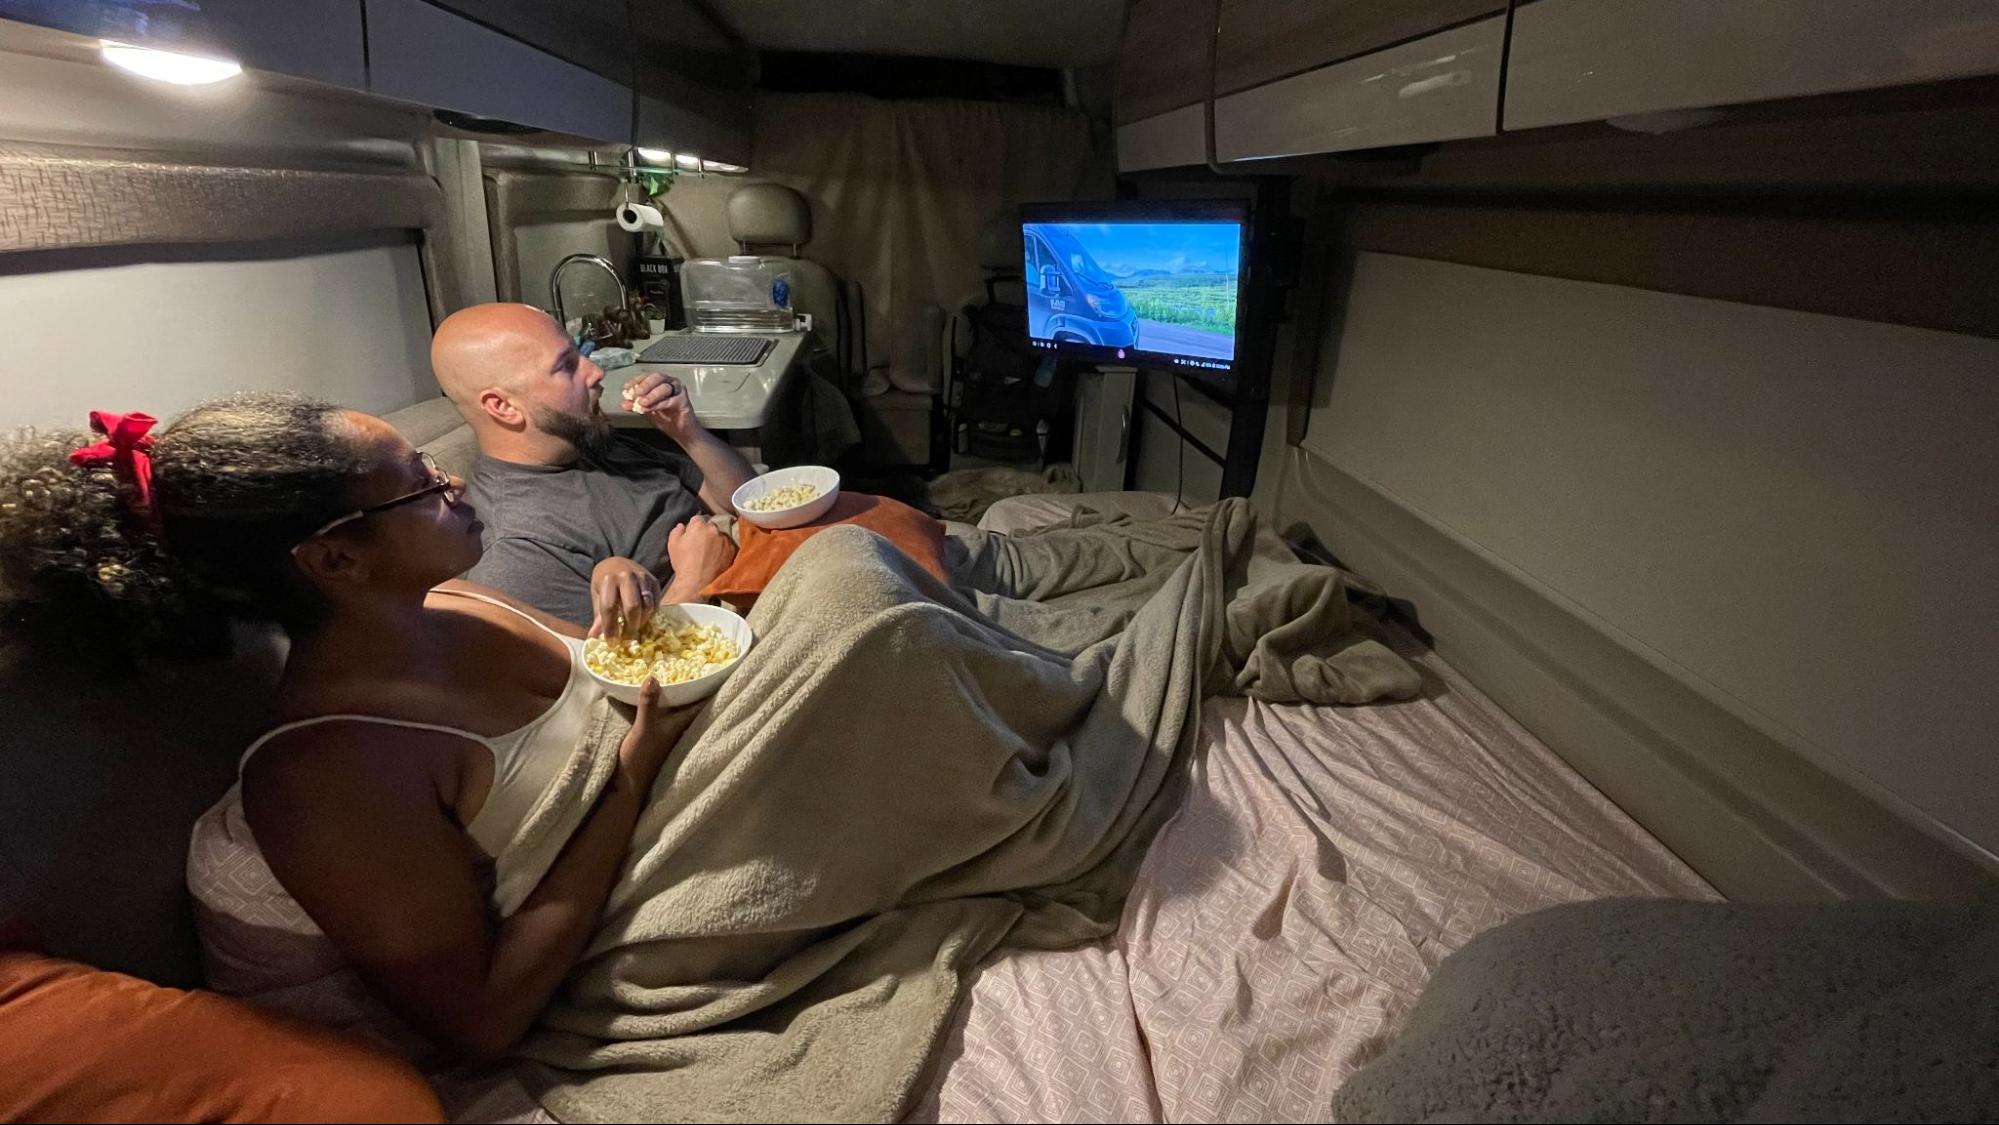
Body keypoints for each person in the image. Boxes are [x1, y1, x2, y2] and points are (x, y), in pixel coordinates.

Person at [0, 395, 694, 1059]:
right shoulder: (325, 772)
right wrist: (628, 782)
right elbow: (482, 1020)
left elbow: (630, 675)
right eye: (419, 483)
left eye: (427, 461)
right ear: (334, 559)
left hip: (679, 796)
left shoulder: (452, 596)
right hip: (635, 895)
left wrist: (630, 573)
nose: (452, 479)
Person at [430, 303, 757, 638]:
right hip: (723, 626)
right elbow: (616, 677)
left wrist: (687, 432)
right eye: (566, 367)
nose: (595, 371)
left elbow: (743, 500)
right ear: (504, 407)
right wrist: (695, 583)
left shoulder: (586, 439)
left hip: (753, 556)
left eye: (579, 353)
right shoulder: (519, 550)